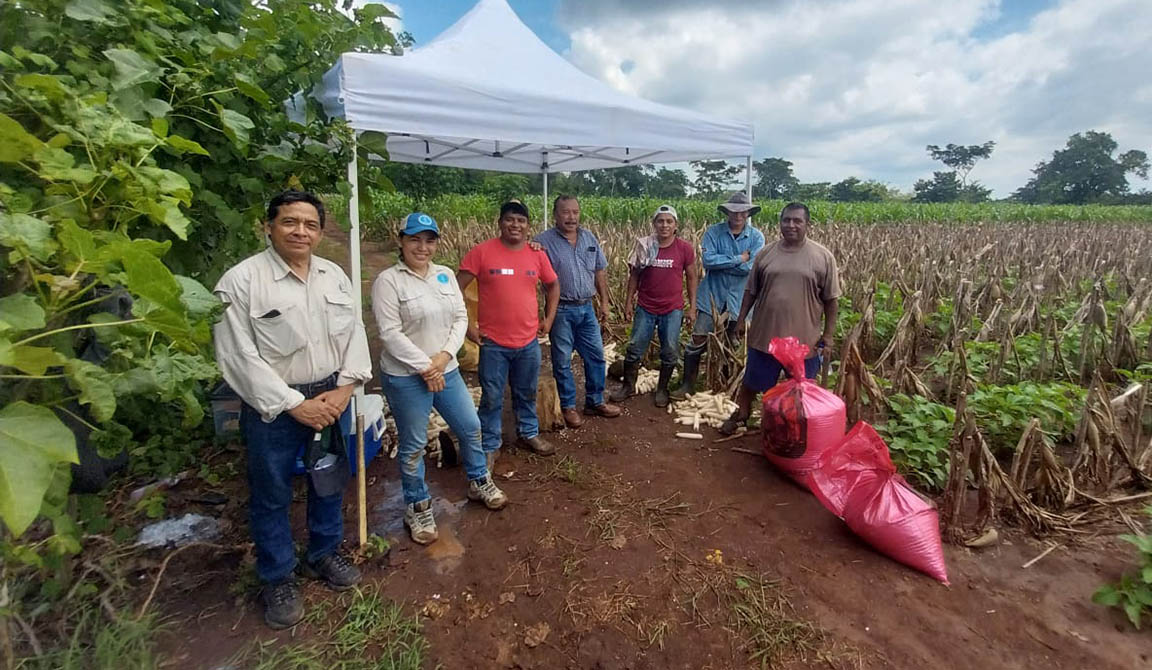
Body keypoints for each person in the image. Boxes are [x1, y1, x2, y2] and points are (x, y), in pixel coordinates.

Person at [213, 190, 370, 630]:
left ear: (319, 232)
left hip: (331, 396)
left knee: (329, 480)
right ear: (268, 227)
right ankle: (278, 575)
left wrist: (345, 388)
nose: (301, 231)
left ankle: (324, 552)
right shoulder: (241, 282)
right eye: (290, 222)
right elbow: (237, 358)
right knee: (271, 492)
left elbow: (355, 332)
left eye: (310, 224)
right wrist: (294, 404)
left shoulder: (333, 276)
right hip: (275, 407)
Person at [372, 213, 508, 545]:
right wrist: (426, 367)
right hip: (406, 376)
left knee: (470, 426)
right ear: (401, 241)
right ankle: (417, 506)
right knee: (414, 445)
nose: (422, 247)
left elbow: (460, 318)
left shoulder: (444, 275)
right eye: (415, 239)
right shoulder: (388, 282)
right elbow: (389, 333)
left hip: (446, 369)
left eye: (429, 240)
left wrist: (444, 357)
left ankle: (479, 479)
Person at [720, 202, 841, 435]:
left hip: (804, 340)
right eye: (786, 220)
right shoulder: (766, 253)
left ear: (807, 224)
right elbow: (751, 291)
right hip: (766, 334)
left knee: (801, 388)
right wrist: (740, 320)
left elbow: (831, 300)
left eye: (797, 221)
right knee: (753, 381)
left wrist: (828, 335)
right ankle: (742, 414)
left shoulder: (823, 257)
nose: (791, 225)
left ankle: (794, 429)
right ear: (780, 223)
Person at [457, 201, 560, 467]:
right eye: (510, 219)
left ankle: (528, 433)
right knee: (491, 396)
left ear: (528, 226)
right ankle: (490, 445)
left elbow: (553, 285)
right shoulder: (481, 253)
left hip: (528, 342)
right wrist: (467, 326)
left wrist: (549, 319)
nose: (515, 225)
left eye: (521, 220)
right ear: (500, 223)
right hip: (493, 343)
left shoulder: (536, 254)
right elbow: (455, 289)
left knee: (526, 391)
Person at [533, 195, 622, 428]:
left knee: (596, 356)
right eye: (566, 212)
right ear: (555, 215)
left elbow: (600, 271)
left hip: (586, 307)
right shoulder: (542, 242)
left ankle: (595, 401)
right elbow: (530, 275)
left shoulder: (589, 238)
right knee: (562, 361)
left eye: (575, 212)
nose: (571, 217)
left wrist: (604, 302)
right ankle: (568, 406)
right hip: (561, 309)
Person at [671, 191, 765, 399]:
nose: (738, 216)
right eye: (734, 212)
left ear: (748, 213)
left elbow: (751, 268)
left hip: (740, 301)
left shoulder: (757, 237)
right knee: (698, 339)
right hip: (711, 297)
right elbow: (708, 261)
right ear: (727, 212)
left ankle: (727, 387)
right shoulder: (713, 232)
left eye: (742, 212)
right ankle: (688, 385)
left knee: (734, 343)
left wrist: (728, 262)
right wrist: (739, 258)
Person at [611, 204, 699, 407]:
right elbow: (634, 276)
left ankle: (662, 389)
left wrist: (692, 307)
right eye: (660, 221)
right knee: (634, 348)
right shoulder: (645, 246)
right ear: (654, 224)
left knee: (670, 350)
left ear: (676, 225)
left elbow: (692, 277)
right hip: (646, 307)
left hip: (672, 309)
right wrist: (628, 302)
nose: (664, 225)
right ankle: (628, 386)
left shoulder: (684, 248)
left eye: (669, 221)